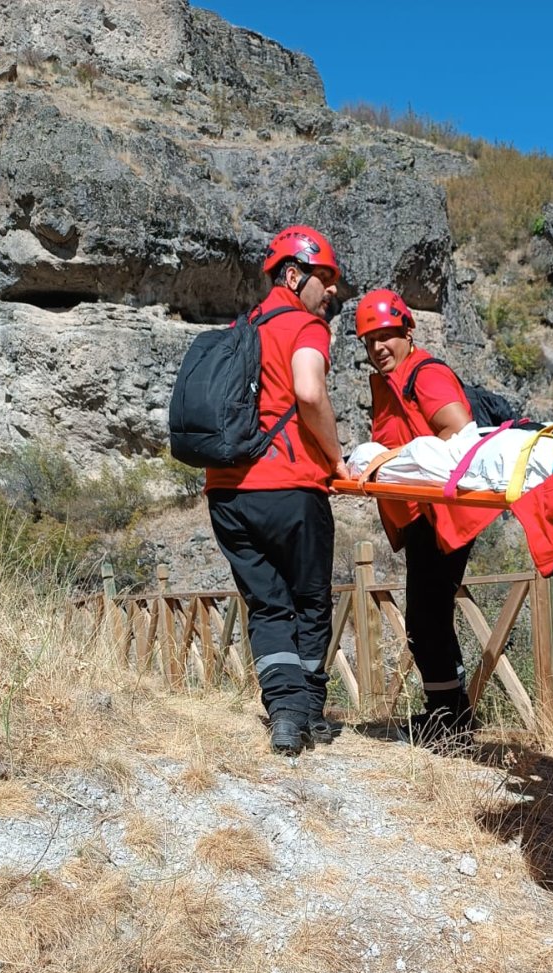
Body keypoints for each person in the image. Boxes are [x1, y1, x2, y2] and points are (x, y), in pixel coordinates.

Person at [205, 225, 349, 757]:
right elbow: (309, 392)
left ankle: (285, 716)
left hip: (227, 493)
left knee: (267, 606)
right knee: (309, 601)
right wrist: (335, 458)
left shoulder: (237, 330)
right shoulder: (305, 326)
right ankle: (306, 712)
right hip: (290, 486)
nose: (331, 289)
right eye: (324, 277)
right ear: (292, 275)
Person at [356, 288, 493, 742]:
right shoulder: (392, 383)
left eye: (386, 336)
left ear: (408, 333)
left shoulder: (426, 375)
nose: (378, 347)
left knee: (426, 619)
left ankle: (449, 723)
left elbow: (460, 433)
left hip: (440, 516)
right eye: (370, 340)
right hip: (421, 517)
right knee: (428, 618)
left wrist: (397, 460)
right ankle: (449, 717)